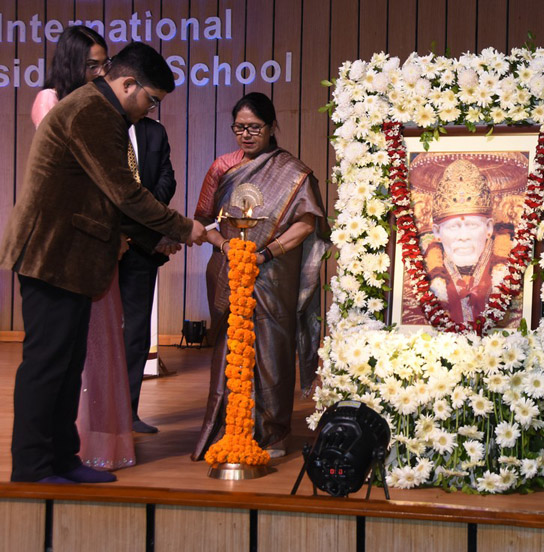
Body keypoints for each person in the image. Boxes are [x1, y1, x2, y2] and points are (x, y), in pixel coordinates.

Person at [1, 41, 207, 484]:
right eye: (151, 99)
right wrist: (182, 228)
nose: (151, 110)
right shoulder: (92, 112)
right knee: (47, 366)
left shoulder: (102, 109)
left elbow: (108, 199)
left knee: (67, 365)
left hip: (72, 258)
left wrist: (156, 237)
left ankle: (63, 459)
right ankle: (31, 468)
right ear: (128, 84)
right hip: (50, 254)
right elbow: (125, 193)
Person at [192, 92, 328, 461]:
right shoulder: (222, 168)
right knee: (230, 349)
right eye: (240, 128)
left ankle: (272, 431)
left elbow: (306, 224)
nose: (246, 135)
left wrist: (266, 253)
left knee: (272, 351)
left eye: (254, 127)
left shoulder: (293, 172)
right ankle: (229, 427)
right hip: (231, 270)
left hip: (274, 274)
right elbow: (203, 222)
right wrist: (226, 247)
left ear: (271, 127)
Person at [31, 25, 139, 471]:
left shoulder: (103, 111)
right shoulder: (53, 102)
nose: (98, 72)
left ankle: (92, 448)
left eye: (104, 64)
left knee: (94, 348)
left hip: (99, 246)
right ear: (70, 64)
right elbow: (92, 176)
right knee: (57, 359)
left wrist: (124, 232)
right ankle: (49, 459)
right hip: (64, 248)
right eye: (91, 65)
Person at [119, 118, 179, 435]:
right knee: (96, 332)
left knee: (136, 332)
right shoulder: (102, 127)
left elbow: (167, 178)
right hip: (103, 245)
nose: (151, 105)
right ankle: (93, 414)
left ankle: (128, 412)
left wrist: (144, 216)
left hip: (142, 247)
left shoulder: (155, 131)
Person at [425, 158, 507, 325]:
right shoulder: (419, 275)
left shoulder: (511, 270)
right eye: (453, 227)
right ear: (437, 232)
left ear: (489, 228)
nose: (463, 236)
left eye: (472, 225)